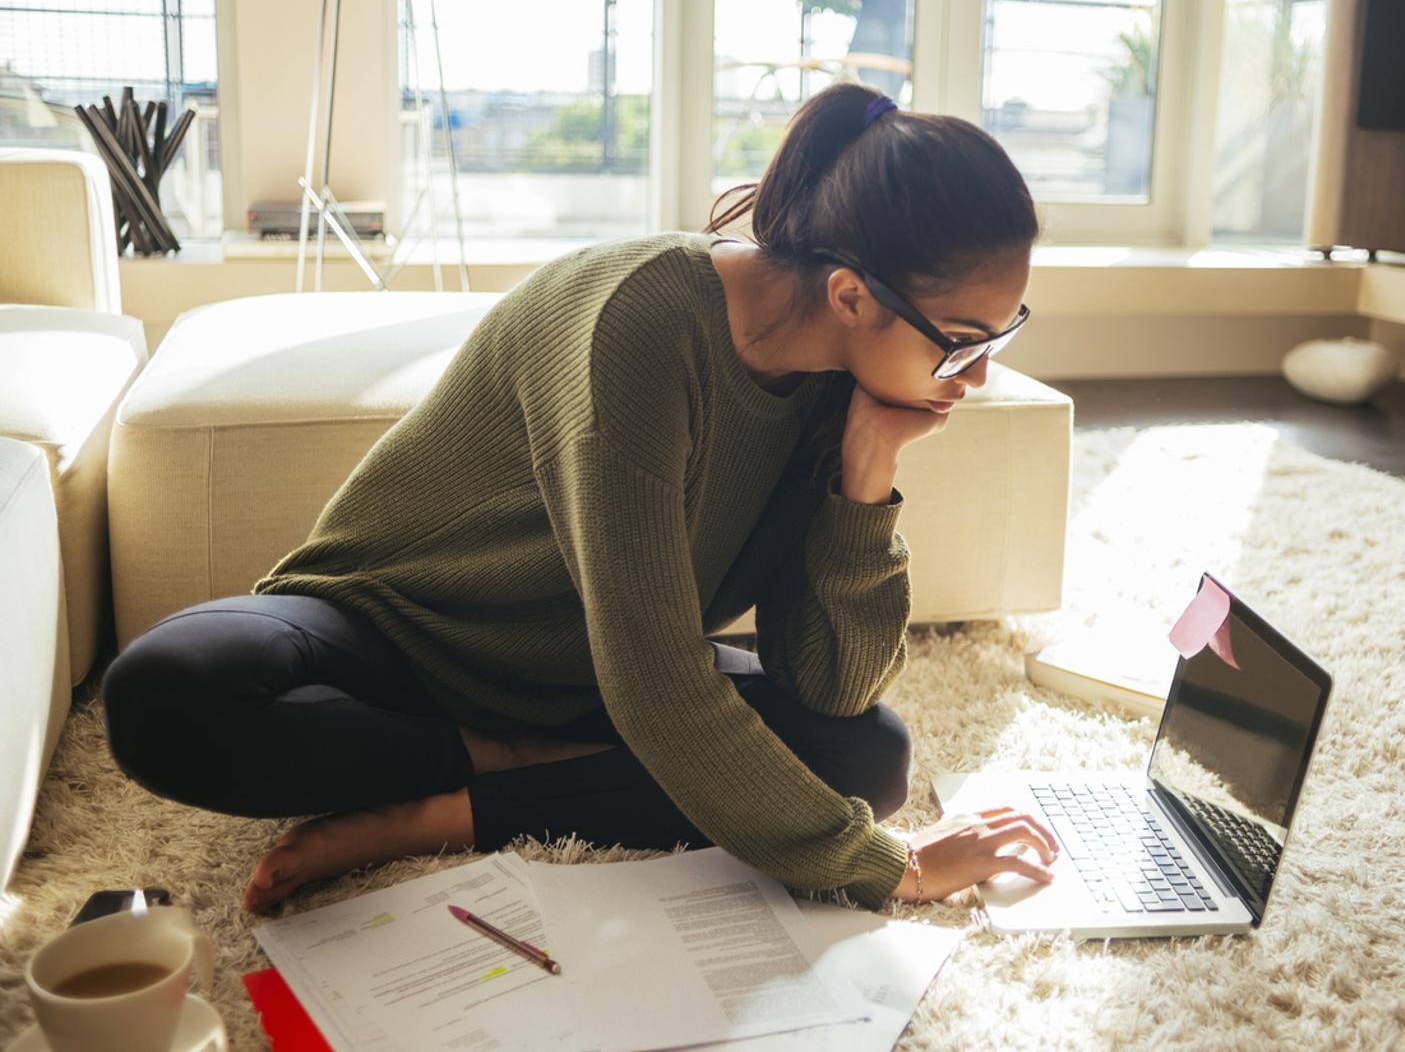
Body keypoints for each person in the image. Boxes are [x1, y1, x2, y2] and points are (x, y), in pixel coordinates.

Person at [101, 82, 1061, 915]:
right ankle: (502, 762)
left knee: (871, 757)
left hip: (588, 681)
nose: (973, 380)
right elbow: (658, 686)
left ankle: (452, 808)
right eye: (962, 343)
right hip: (402, 633)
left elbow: (830, 689)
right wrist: (888, 869)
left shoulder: (846, 388)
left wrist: (865, 478)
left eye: (999, 339)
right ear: (852, 294)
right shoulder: (642, 322)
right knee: (164, 694)